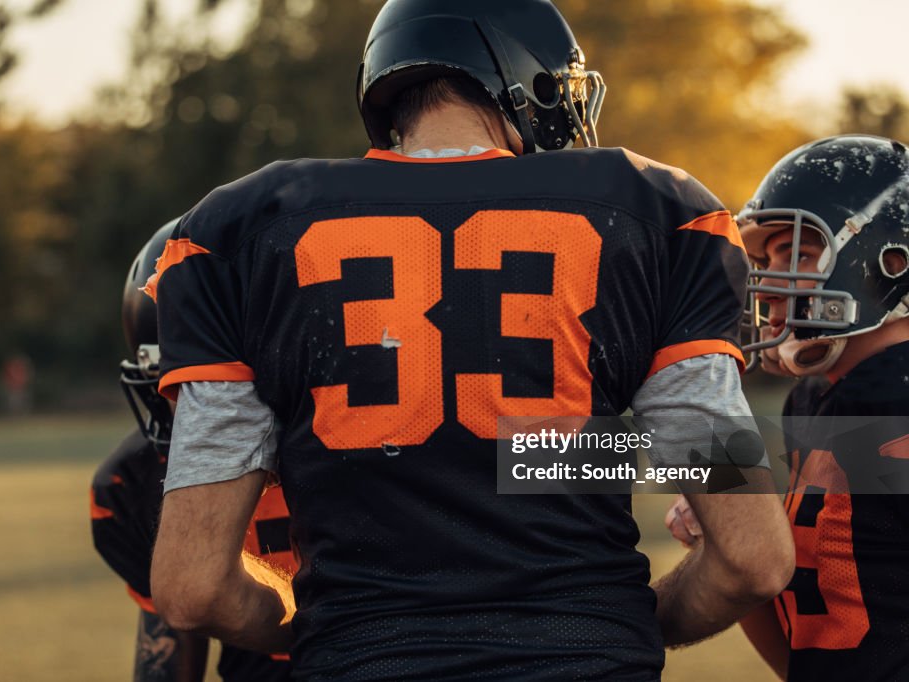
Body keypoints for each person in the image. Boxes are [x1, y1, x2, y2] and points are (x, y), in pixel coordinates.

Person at [150, 1, 794, 679]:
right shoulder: (658, 212)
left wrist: (331, 625)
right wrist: (616, 619)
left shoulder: (238, 233)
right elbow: (753, 557)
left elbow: (193, 587)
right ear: (532, 78)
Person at [727, 134, 906, 681]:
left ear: (890, 262)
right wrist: (728, 517)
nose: (771, 285)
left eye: (798, 254)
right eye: (767, 259)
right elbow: (777, 603)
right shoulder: (816, 396)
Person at [91, 221, 296, 681]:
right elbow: (175, 642)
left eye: (207, 390)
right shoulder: (136, 479)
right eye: (173, 388)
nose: (180, 412)